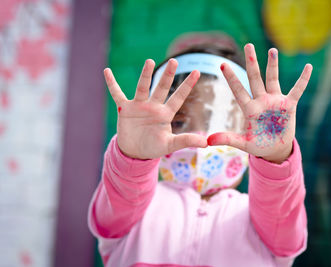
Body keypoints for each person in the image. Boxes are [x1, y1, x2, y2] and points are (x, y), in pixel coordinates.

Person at [88, 38, 313, 266]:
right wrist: (132, 157)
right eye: (179, 122)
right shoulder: (130, 213)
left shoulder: (269, 227)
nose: (197, 138)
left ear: (247, 130)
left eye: (219, 121)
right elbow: (118, 201)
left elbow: (281, 214)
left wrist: (275, 158)